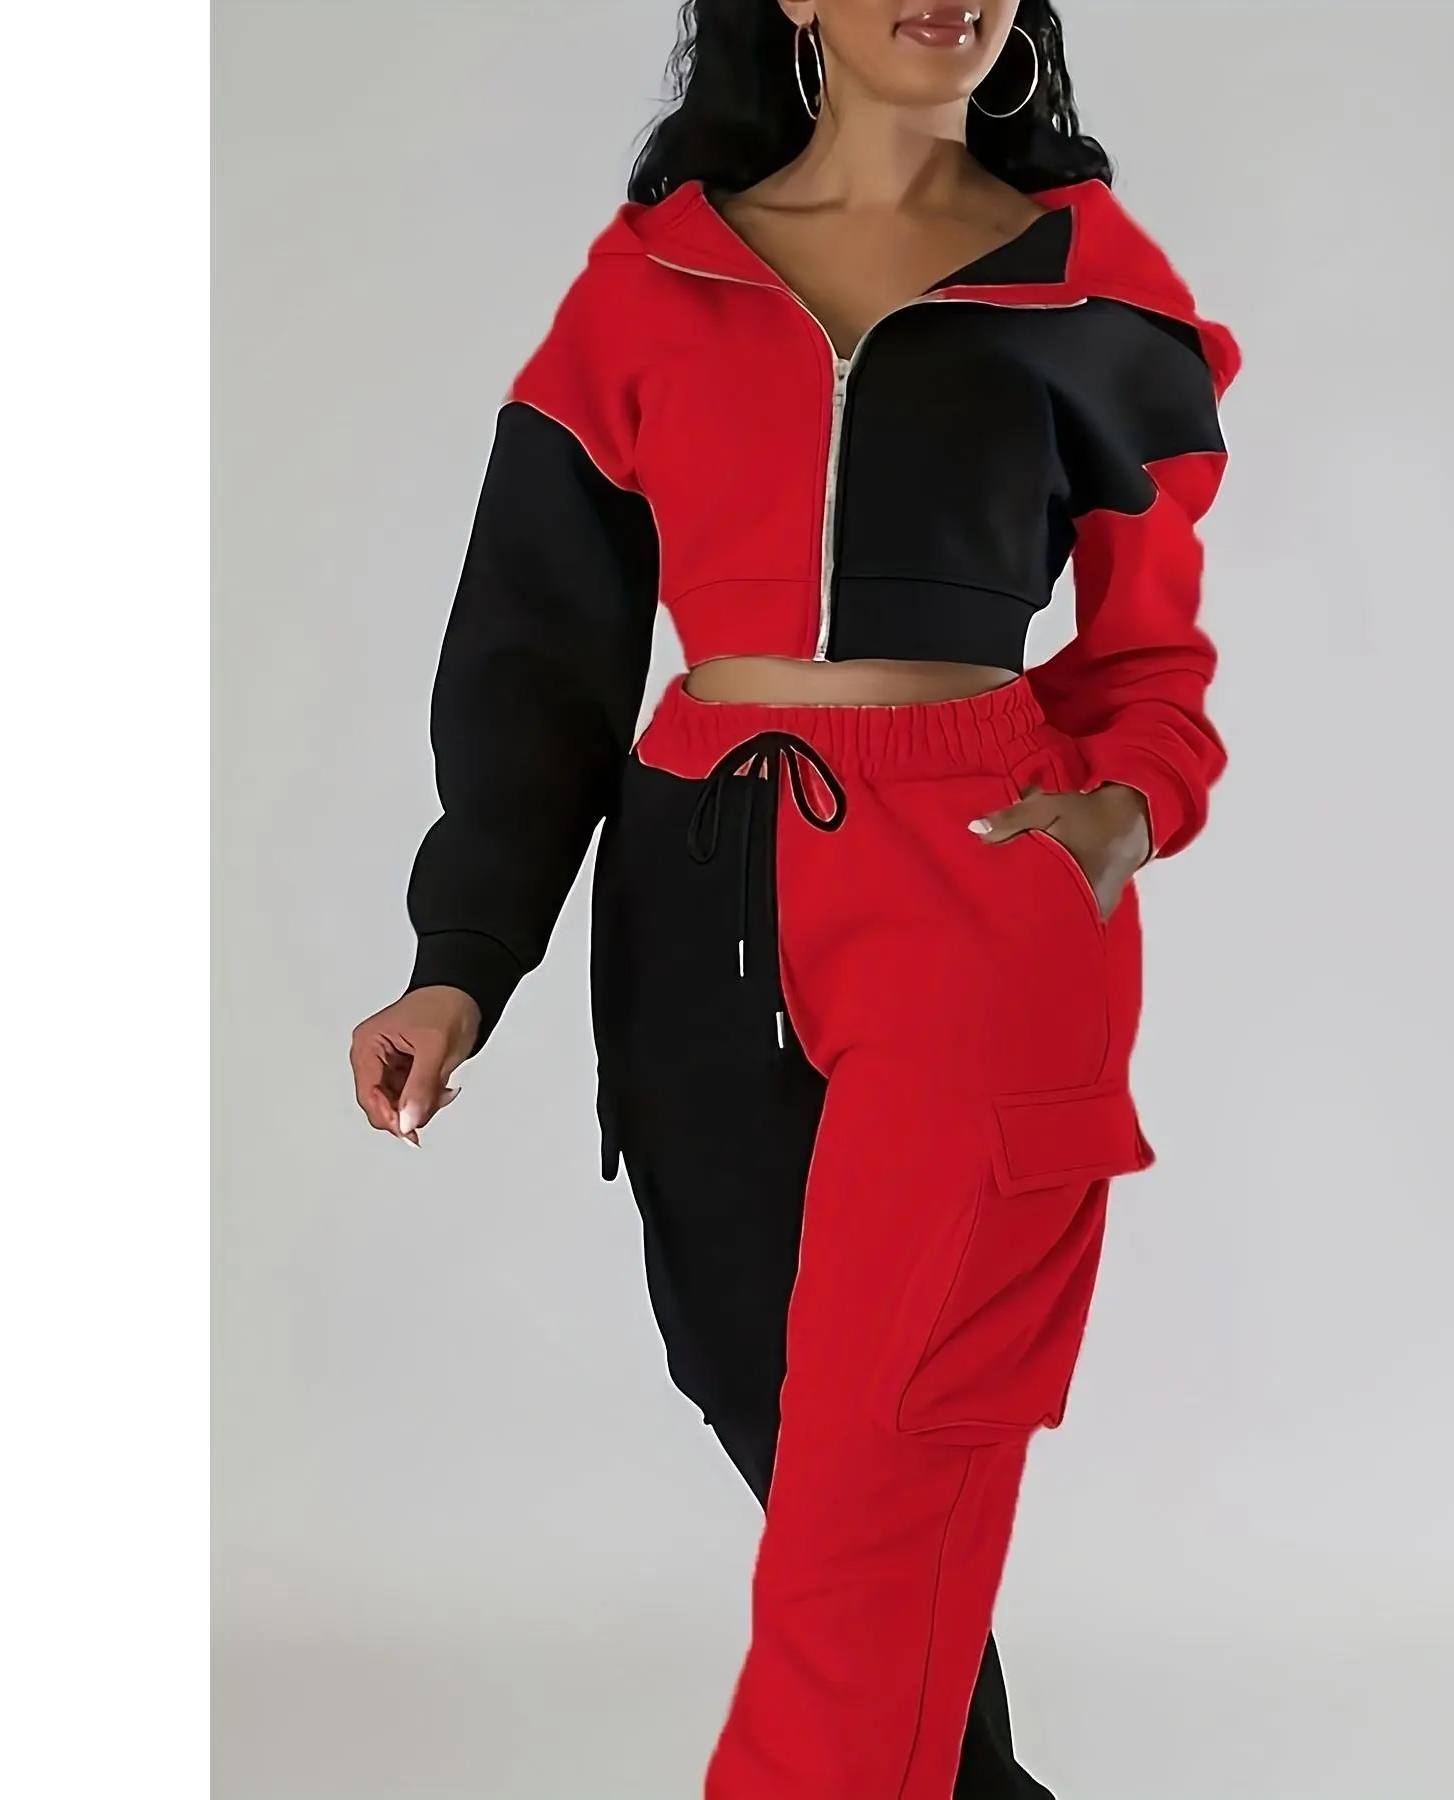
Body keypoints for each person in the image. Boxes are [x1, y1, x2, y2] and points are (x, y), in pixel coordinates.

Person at [348, 3, 1239, 1795]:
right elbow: (540, 647)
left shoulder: (1092, 284)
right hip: (695, 875)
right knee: (763, 1390)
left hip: (975, 884)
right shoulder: (652, 280)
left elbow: (1154, 664)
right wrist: (464, 957)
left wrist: (1121, 813)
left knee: (890, 1435)